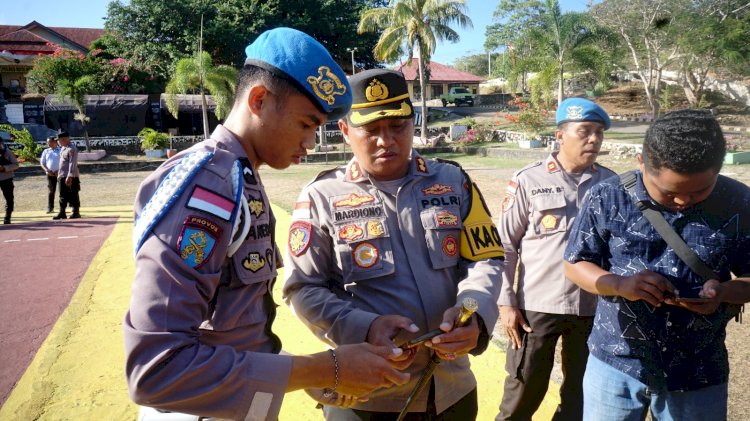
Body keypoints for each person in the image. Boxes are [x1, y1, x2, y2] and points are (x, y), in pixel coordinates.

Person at [124, 28, 410, 421]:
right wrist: (327, 368)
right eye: (306, 124)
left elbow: (231, 329)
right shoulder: (208, 185)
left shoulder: (239, 175)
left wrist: (302, 375)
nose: (311, 142)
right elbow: (158, 370)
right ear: (259, 100)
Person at [283, 68, 505, 420]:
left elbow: (485, 260)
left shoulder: (453, 180)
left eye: (398, 126)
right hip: (366, 396)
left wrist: (474, 312)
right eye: (370, 130)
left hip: (451, 391)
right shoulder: (321, 196)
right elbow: (302, 289)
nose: (386, 140)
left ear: (413, 122)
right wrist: (365, 327)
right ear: (344, 131)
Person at [564, 109, 750, 420]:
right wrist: (621, 285)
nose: (683, 202)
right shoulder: (607, 196)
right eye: (669, 192)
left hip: (699, 369)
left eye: (699, 191)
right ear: (641, 162)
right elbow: (575, 263)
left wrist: (724, 292)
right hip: (615, 361)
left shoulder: (739, 202)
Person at [495, 98, 616, 421]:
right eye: (585, 131)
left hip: (593, 306)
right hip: (537, 306)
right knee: (523, 392)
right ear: (560, 135)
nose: (594, 139)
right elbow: (504, 246)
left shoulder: (611, 184)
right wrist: (506, 303)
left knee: (581, 395)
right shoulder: (529, 180)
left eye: (599, 133)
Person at [53, 131, 81, 220]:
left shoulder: (71, 149)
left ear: (64, 139)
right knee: (62, 194)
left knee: (73, 193)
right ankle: (62, 212)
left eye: (59, 140)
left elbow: (72, 163)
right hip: (62, 175)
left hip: (70, 176)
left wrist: (70, 176)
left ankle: (75, 212)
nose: (58, 142)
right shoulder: (63, 148)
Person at [0, 133, 19, 224]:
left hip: (6, 178)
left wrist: (4, 168)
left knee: (9, 198)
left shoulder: (7, 152)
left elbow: (16, 165)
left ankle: (7, 217)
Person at [40, 135, 61, 214]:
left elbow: (64, 162)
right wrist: (47, 170)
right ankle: (50, 207)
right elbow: (42, 163)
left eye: (50, 142)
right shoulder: (46, 151)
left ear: (55, 142)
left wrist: (59, 170)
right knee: (51, 191)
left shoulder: (61, 150)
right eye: (48, 142)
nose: (49, 144)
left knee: (62, 191)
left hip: (60, 174)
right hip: (50, 174)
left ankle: (62, 207)